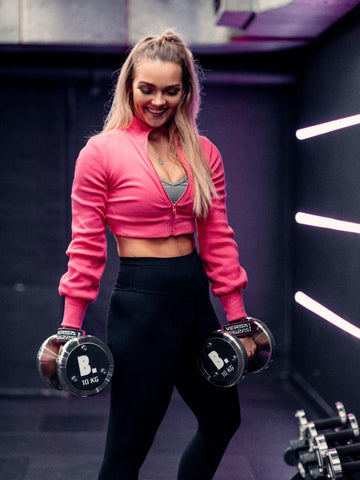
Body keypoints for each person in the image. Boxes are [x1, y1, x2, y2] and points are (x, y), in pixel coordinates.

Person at [58, 29, 256, 480]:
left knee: (223, 420)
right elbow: (86, 245)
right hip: (141, 308)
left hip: (194, 304)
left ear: (186, 91)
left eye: (171, 90)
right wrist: (70, 328)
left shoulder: (204, 153)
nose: (158, 101)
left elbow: (218, 238)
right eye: (147, 89)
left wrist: (237, 317)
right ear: (130, 86)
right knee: (128, 448)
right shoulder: (100, 152)